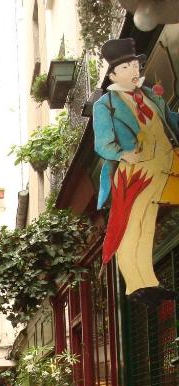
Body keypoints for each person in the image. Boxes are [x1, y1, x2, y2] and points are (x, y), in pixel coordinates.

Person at [93, 38, 179, 306]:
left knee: (148, 225)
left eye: (135, 65)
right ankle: (135, 284)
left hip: (163, 165)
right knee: (133, 226)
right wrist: (121, 153)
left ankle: (149, 281)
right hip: (134, 172)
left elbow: (171, 123)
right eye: (127, 66)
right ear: (113, 75)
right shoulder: (105, 104)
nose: (134, 70)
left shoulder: (151, 97)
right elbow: (102, 142)